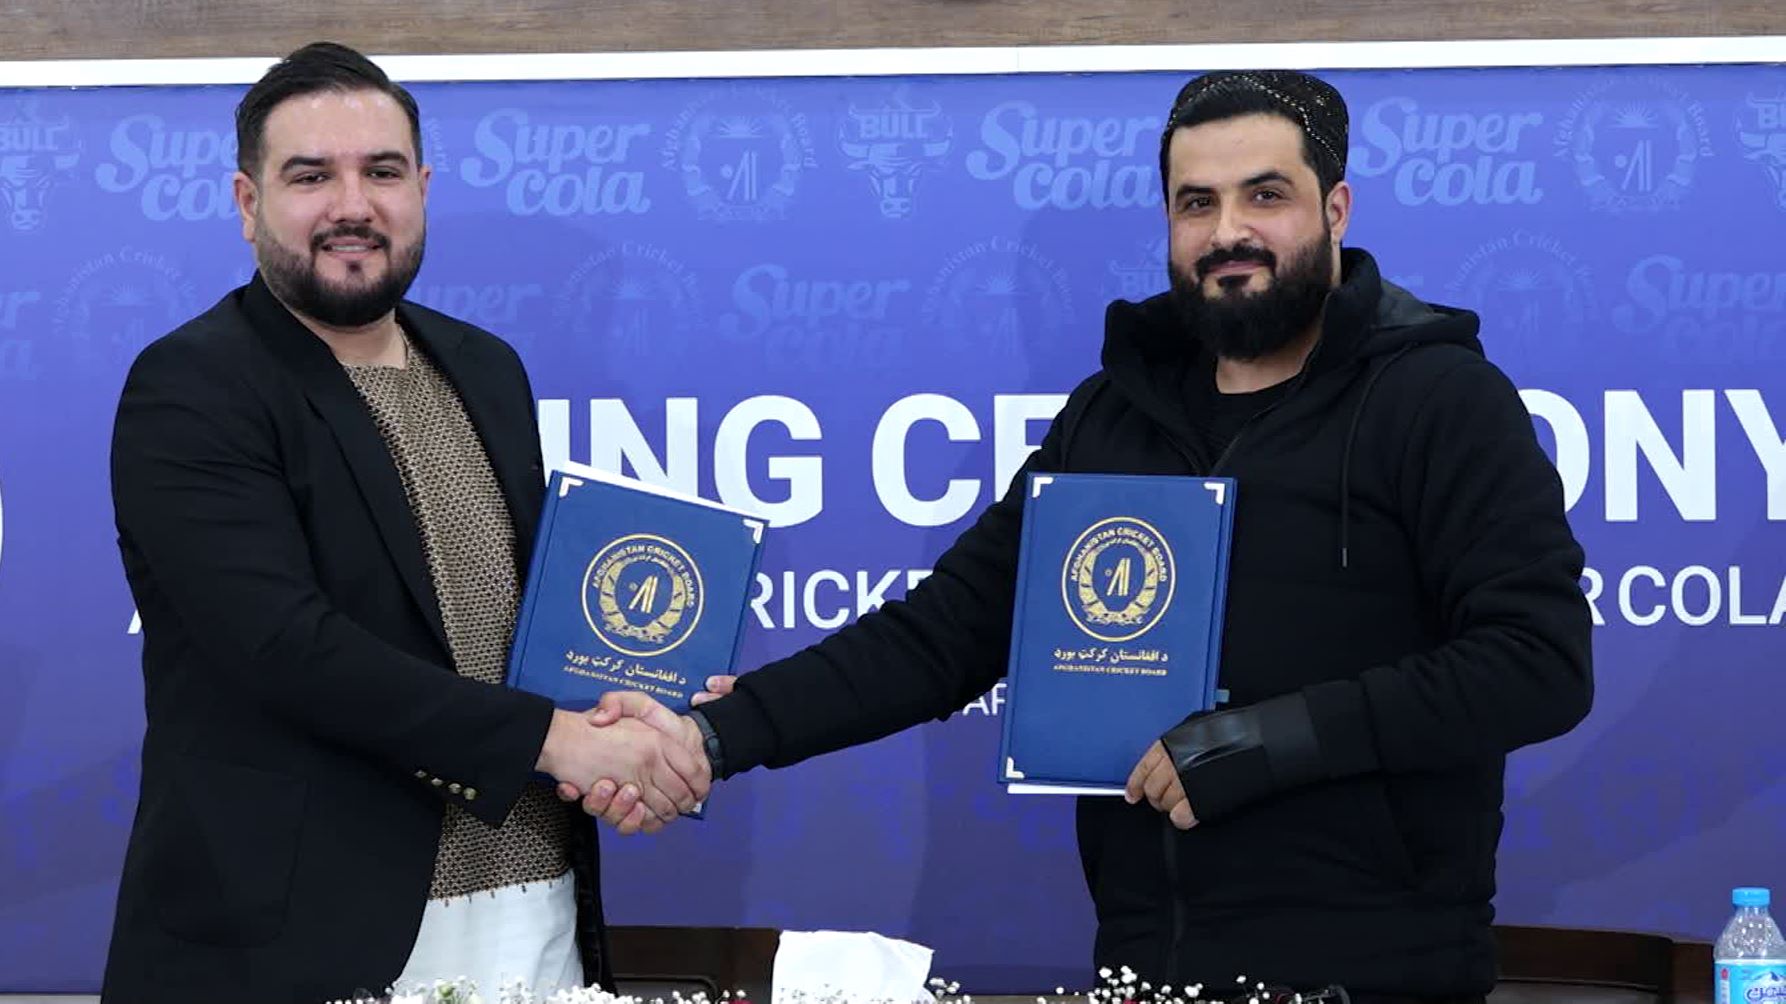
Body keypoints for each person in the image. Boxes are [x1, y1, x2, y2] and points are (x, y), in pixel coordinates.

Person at [587, 69, 1594, 1001]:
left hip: (1380, 972)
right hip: (1145, 964)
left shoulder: (1440, 399)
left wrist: (1270, 740)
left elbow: (1537, 660)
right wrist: (714, 734)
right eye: (1195, 204)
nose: (1228, 232)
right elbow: (945, 631)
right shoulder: (1111, 416)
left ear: (1335, 210)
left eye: (1265, 196)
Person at [100, 42, 706, 1004]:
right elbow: (285, 648)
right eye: (311, 176)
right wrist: (555, 741)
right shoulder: (193, 386)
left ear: (421, 190)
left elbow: (526, 628)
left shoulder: (487, 367)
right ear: (249, 203)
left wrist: (627, 709)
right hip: (306, 940)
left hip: (537, 911)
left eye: (381, 172)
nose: (353, 204)